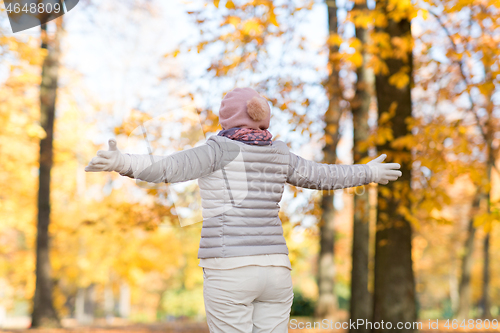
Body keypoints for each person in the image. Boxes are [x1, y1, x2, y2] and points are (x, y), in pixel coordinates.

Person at [85, 87, 402, 333]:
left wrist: (122, 162)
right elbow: (325, 176)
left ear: (228, 119)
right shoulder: (281, 154)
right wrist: (369, 172)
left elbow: (166, 168)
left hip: (229, 268)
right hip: (276, 271)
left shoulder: (217, 151)